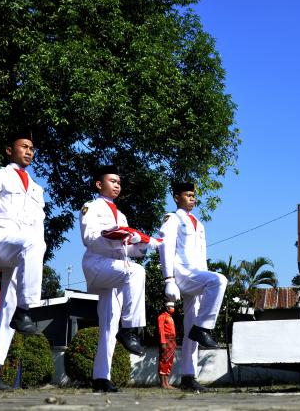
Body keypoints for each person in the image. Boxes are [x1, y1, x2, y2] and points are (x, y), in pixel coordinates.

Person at [0, 130, 47, 391]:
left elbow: (38, 227)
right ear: (9, 150)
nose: (29, 151)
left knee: (8, 306)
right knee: (31, 242)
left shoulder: (37, 187)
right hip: (1, 239)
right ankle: (26, 310)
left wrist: (37, 255)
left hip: (25, 250)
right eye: (23, 146)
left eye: (32, 148)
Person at [80, 165, 158, 393]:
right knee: (137, 272)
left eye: (119, 182)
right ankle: (130, 328)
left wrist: (141, 245)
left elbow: (126, 251)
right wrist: (115, 236)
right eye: (112, 181)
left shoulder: (121, 214)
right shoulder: (90, 207)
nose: (117, 185)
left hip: (116, 269)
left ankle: (101, 377)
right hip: (97, 264)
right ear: (98, 184)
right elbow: (89, 238)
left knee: (108, 324)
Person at [158, 181, 227, 392]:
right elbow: (165, 246)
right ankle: (203, 327)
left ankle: (188, 375)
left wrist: (204, 277)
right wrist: (168, 279)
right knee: (220, 280)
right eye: (187, 195)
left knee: (191, 326)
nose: (192, 199)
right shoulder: (173, 218)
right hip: (182, 272)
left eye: (193, 196)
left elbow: (202, 256)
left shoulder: (199, 222)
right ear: (176, 197)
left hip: (197, 275)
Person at [157, 301, 177, 389]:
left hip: (172, 341)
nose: (173, 308)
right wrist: (163, 342)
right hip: (166, 341)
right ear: (167, 308)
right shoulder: (161, 317)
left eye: (173, 306)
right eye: (171, 307)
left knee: (169, 362)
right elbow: (161, 330)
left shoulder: (170, 317)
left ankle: (167, 383)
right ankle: (163, 384)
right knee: (164, 361)